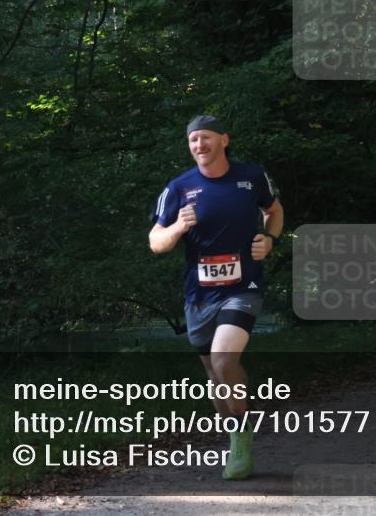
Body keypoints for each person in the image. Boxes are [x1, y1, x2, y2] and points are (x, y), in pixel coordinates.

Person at [148, 115, 284, 480]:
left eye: (206, 138)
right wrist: (178, 226)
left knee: (224, 359)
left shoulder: (251, 177)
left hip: (244, 286)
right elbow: (156, 242)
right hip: (199, 295)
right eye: (193, 140)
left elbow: (274, 211)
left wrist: (269, 240)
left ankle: (242, 438)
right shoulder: (178, 188)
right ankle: (233, 431)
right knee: (213, 373)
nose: (199, 146)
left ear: (224, 140)